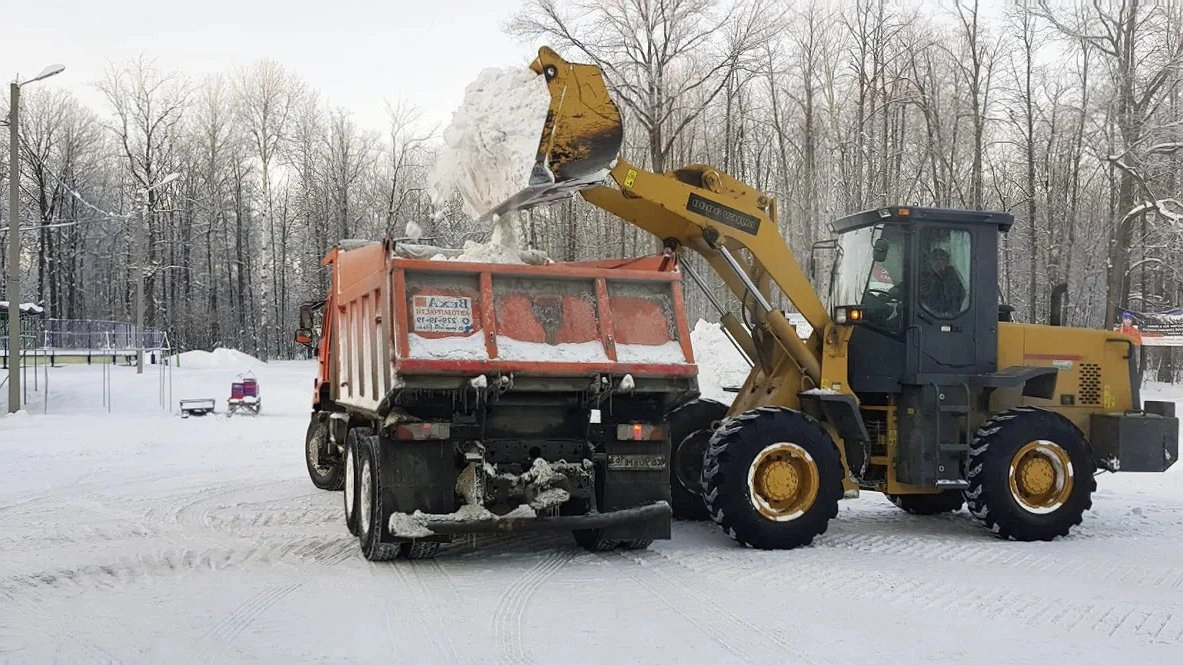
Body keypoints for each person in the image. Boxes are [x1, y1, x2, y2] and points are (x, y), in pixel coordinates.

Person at [917, 247, 965, 316]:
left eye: (942, 259)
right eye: (935, 259)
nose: (939, 262)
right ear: (930, 261)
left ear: (947, 262)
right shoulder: (924, 277)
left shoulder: (954, 276)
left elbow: (958, 296)